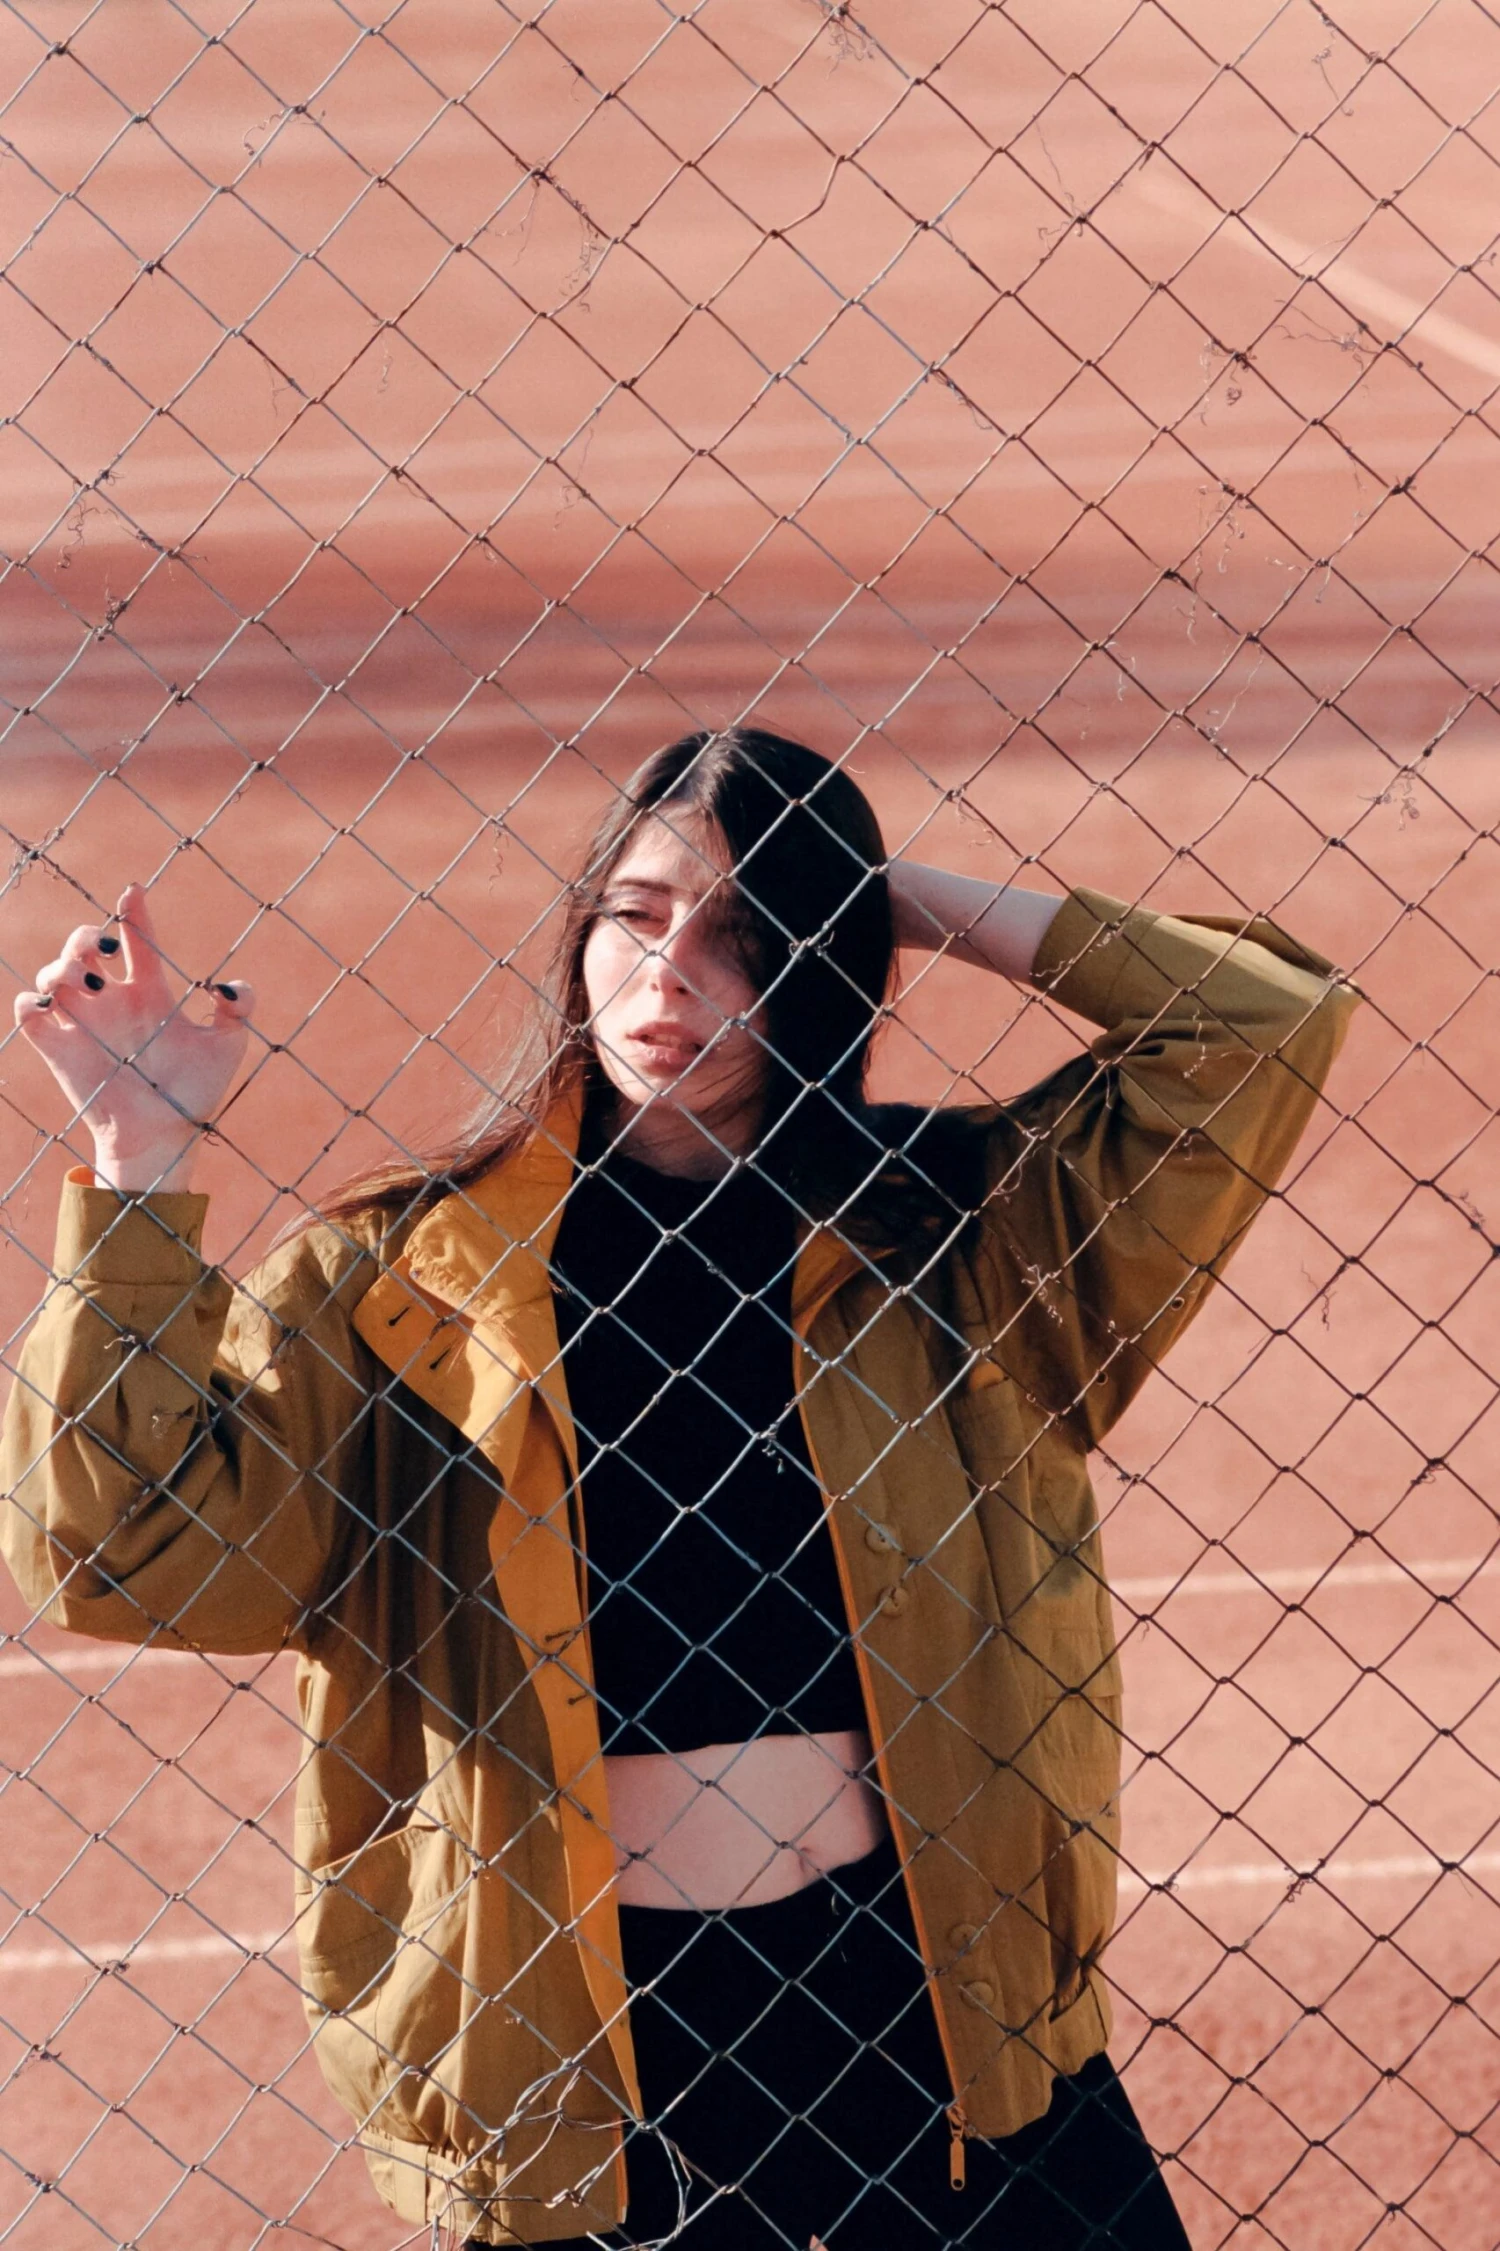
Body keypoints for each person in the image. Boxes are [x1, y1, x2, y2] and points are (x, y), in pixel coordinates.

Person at [2, 728, 1359, 2249]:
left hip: (935, 2007)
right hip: (597, 2054)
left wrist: (883, 894)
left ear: (828, 964)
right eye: (636, 916)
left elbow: (1263, 1022)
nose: (671, 974)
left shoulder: (961, 1230)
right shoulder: (403, 1277)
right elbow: (118, 1554)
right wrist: (139, 1156)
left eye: (745, 935)